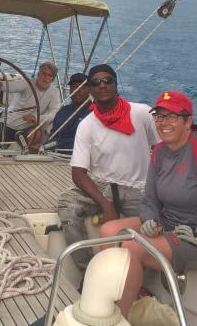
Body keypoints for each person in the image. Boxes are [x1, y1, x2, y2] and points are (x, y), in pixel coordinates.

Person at [99, 90, 197, 318]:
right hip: (169, 223)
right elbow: (150, 198)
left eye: (172, 117)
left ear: (188, 122)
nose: (163, 123)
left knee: (129, 249)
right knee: (109, 232)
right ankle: (128, 295)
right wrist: (149, 219)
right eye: (159, 116)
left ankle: (120, 318)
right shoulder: (159, 152)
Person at [57, 64, 158, 270]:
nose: (102, 85)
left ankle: (140, 278)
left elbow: (162, 149)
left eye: (107, 80)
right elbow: (78, 173)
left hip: (138, 187)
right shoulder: (87, 125)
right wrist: (105, 204)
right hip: (103, 186)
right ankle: (88, 270)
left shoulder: (142, 113)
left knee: (159, 224)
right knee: (67, 207)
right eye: (96, 82)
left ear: (116, 84)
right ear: (91, 90)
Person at [0, 62, 61, 152]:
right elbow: (11, 87)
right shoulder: (27, 83)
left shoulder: (54, 92)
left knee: (36, 133)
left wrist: (36, 118)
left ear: (52, 79)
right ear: (38, 74)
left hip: (26, 130)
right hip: (8, 125)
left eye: (49, 76)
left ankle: (27, 157)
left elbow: (54, 113)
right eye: (43, 73)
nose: (45, 78)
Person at [49, 73, 92, 153]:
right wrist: (45, 145)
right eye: (74, 87)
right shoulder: (63, 111)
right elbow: (53, 134)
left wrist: (55, 145)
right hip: (56, 156)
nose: (78, 90)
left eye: (83, 87)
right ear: (70, 90)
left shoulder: (95, 113)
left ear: (89, 90)